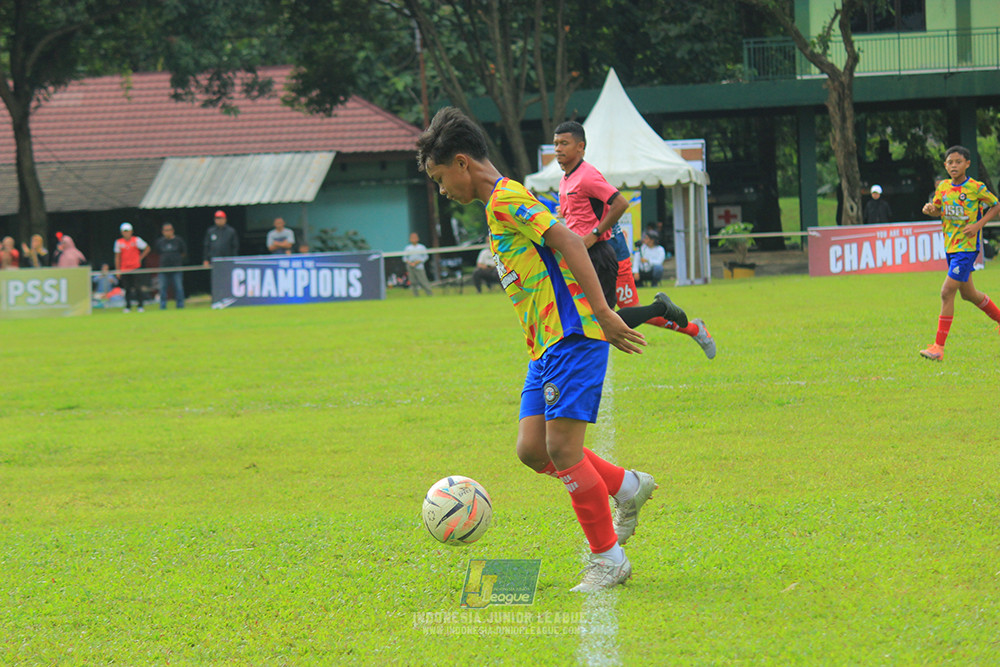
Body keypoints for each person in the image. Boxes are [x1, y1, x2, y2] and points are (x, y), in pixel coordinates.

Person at [418, 106, 657, 593]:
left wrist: (605, 314)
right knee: (532, 450)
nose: (442, 191)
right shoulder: (495, 208)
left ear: (462, 163)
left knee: (562, 450)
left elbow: (570, 240)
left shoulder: (508, 199)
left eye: (441, 178)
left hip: (573, 336)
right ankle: (628, 486)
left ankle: (608, 558)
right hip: (543, 347)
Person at [552, 120, 715, 359]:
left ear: (580, 147)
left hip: (610, 252)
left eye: (564, 143)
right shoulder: (566, 179)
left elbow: (619, 204)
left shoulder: (587, 175)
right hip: (586, 253)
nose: (558, 149)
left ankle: (692, 327)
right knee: (602, 313)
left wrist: (594, 234)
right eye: (555, 144)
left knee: (620, 314)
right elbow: (584, 211)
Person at [918, 145, 1000, 361]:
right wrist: (930, 209)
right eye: (950, 162)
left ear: (967, 164)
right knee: (969, 294)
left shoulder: (975, 187)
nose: (954, 165)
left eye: (958, 162)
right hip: (951, 247)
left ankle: (938, 348)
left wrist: (978, 225)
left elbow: (995, 205)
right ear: (945, 165)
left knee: (946, 292)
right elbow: (937, 209)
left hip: (967, 248)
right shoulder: (943, 187)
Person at [114, 222, 150, 313]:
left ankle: (140, 306)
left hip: (135, 267)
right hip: (125, 269)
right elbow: (117, 257)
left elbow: (147, 248)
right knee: (127, 288)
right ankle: (128, 306)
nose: (126, 233)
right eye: (124, 231)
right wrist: (118, 270)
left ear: (131, 231)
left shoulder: (136, 240)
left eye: (128, 231)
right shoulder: (119, 242)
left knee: (138, 287)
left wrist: (140, 258)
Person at [154, 223, 187, 309]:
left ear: (173, 231)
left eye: (169, 230)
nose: (167, 232)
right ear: (162, 232)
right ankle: (163, 306)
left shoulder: (178, 241)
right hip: (163, 269)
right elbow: (157, 252)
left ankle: (180, 306)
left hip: (176, 268)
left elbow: (183, 252)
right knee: (162, 288)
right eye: (165, 230)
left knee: (178, 287)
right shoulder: (160, 242)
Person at [402, 232, 433, 297]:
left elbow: (425, 257)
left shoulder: (421, 247)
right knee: (413, 282)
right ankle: (416, 295)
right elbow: (404, 258)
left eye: (415, 237)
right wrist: (410, 263)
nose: (413, 239)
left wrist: (417, 262)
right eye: (412, 238)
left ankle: (429, 294)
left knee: (423, 281)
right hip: (411, 267)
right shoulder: (408, 248)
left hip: (419, 267)